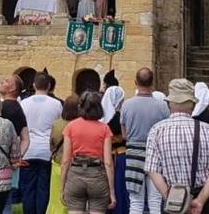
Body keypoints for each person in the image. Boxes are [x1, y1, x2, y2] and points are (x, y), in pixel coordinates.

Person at [145, 78, 209, 214]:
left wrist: (171, 198)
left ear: (169, 103)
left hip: (173, 197)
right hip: (206, 200)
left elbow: (152, 170)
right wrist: (200, 200)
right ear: (193, 104)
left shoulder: (157, 130)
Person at [120, 68, 169, 214]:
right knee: (155, 200)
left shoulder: (127, 105)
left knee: (135, 201)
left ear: (135, 82)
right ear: (152, 83)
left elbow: (124, 134)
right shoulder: (162, 106)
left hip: (134, 154)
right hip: (156, 155)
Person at [61, 91, 116, 214]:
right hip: (97, 175)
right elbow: (108, 163)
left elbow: (65, 161)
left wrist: (62, 187)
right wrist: (112, 191)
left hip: (75, 174)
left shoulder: (70, 127)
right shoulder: (105, 129)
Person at [20, 72, 63, 214]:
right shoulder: (56, 104)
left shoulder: (24, 103)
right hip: (46, 150)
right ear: (49, 86)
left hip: (28, 149)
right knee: (44, 188)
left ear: (33, 85)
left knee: (28, 189)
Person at [0, 76, 30, 214]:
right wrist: (17, 158)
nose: (1, 82)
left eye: (6, 81)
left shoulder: (0, 108)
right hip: (11, 163)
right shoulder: (18, 108)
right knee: (7, 203)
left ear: (12, 89)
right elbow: (26, 138)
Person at [48, 95, 80, 214]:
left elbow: (51, 144)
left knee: (56, 197)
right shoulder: (78, 126)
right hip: (73, 165)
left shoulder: (56, 124)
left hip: (57, 163)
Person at [101, 85, 129, 214]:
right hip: (120, 156)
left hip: (105, 156)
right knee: (119, 187)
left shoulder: (101, 118)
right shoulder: (120, 116)